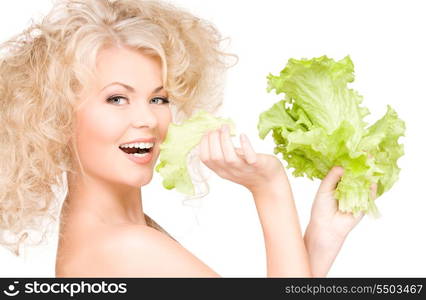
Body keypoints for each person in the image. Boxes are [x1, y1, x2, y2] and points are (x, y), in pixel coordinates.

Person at [0, 0, 375, 277]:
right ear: (56, 117)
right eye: (117, 98)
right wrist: (270, 188)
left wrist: (322, 238)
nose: (147, 118)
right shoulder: (125, 248)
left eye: (158, 98)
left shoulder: (121, 228)